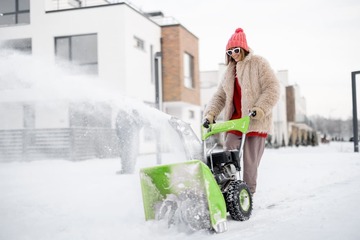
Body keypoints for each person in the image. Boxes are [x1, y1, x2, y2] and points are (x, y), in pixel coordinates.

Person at [203, 28, 280, 194]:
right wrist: (211, 114)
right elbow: (220, 96)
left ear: (244, 49)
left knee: (250, 161)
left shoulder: (259, 63)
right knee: (229, 148)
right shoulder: (229, 72)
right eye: (229, 52)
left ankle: (248, 193)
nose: (233, 54)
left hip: (255, 120)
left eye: (236, 50)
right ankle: (229, 188)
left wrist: (260, 108)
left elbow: (272, 88)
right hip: (236, 121)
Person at [115, 109, 143, 174]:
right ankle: (124, 169)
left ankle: (129, 170)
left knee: (130, 152)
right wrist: (118, 134)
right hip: (123, 138)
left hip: (131, 138)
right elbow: (117, 125)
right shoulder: (121, 112)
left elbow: (140, 123)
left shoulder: (134, 112)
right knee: (123, 153)